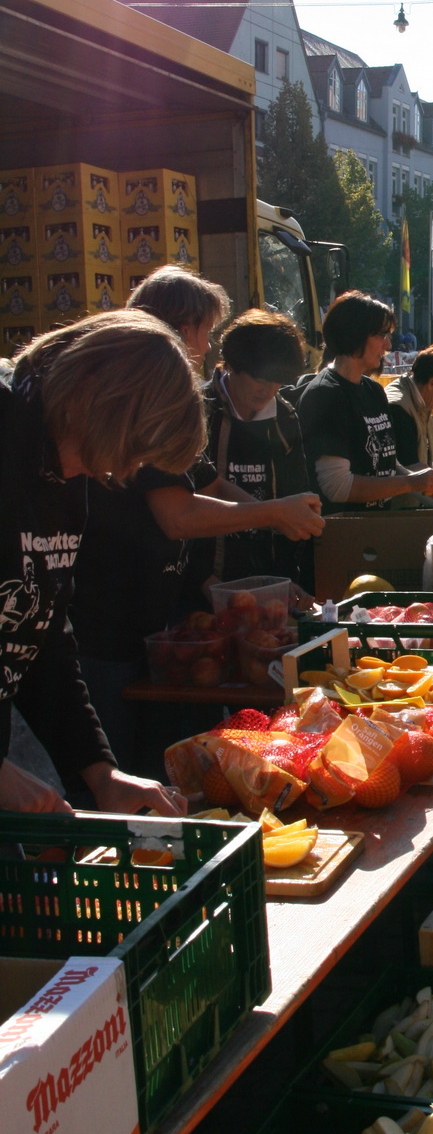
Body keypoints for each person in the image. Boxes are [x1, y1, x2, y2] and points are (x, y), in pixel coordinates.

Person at [70, 269, 324, 769]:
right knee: (121, 766)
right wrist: (273, 512)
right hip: (110, 618)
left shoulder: (167, 401)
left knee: (176, 758)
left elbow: (210, 485)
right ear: (181, 330)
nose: (208, 349)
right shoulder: (147, 403)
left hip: (156, 614)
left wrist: (276, 525)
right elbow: (179, 517)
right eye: (206, 332)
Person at [0, 312, 203, 815]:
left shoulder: (67, 464)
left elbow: (41, 635)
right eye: (126, 448)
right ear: (92, 394)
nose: (119, 470)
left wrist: (101, 771)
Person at [196, 310, 313, 588]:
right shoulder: (199, 411)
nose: (268, 390)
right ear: (232, 364)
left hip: (270, 583)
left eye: (277, 381)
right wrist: (201, 579)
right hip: (206, 582)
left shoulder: (284, 417)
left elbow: (295, 497)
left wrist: (288, 580)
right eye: (260, 379)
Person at [297, 293, 433, 509]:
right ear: (355, 335)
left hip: (377, 525)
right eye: (383, 335)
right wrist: (411, 482)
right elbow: (337, 487)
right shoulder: (326, 395)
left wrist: (424, 481)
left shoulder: (374, 390)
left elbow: (386, 464)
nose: (388, 345)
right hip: (344, 528)